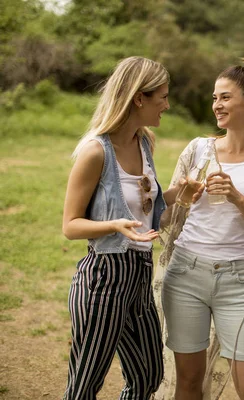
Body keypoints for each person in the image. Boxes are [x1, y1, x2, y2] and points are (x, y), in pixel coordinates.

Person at [156, 57, 244, 400]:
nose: (216, 105)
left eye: (225, 97)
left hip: (238, 282)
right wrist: (181, 193)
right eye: (215, 97)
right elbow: (162, 208)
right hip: (186, 272)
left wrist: (237, 197)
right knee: (189, 383)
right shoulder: (198, 148)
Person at [62, 56, 183, 399]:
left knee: (147, 376)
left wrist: (177, 194)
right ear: (139, 98)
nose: (167, 104)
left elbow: (144, 206)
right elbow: (70, 226)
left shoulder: (145, 143)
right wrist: (114, 225)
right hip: (104, 278)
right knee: (84, 385)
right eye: (162, 96)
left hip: (139, 275)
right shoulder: (95, 151)